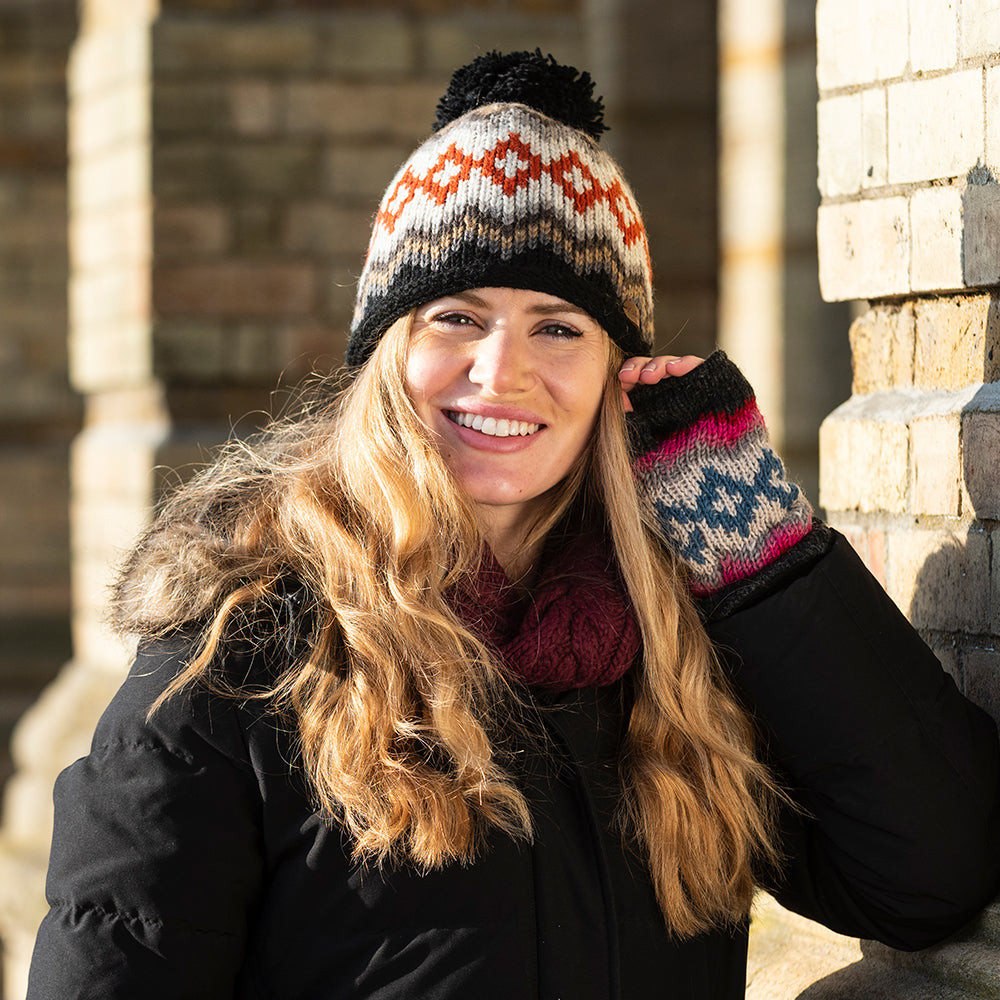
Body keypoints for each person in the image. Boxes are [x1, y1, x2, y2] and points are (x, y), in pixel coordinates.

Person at [27, 51, 1000, 1000]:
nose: (502, 372)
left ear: (616, 372)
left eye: (559, 326)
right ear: (389, 351)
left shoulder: (674, 647)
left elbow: (927, 875)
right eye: (456, 316)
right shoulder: (242, 655)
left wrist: (756, 546)